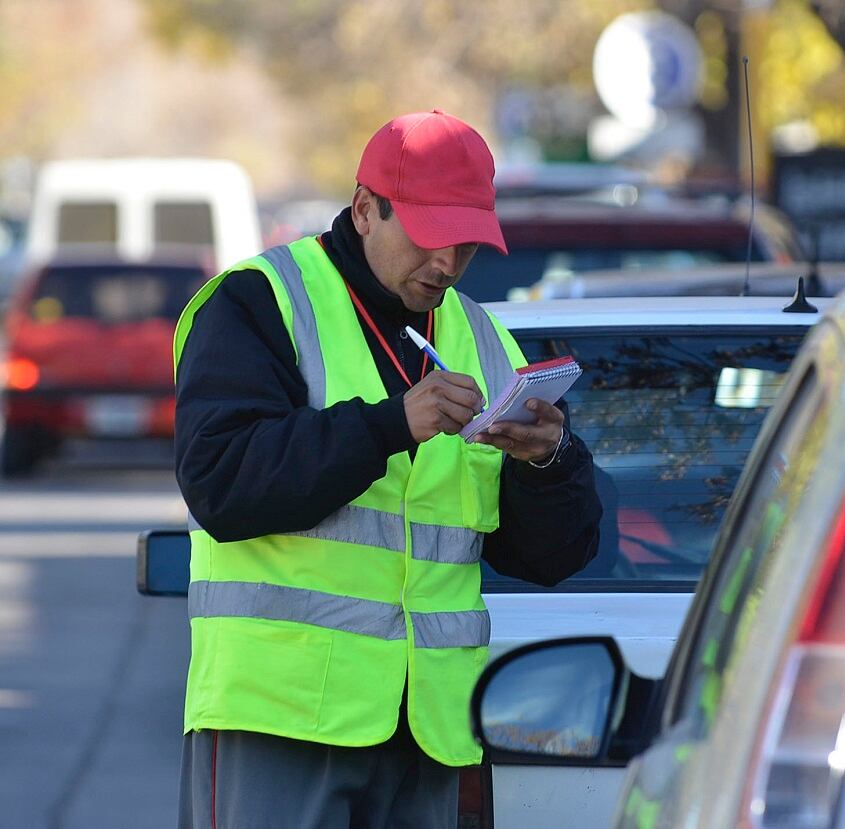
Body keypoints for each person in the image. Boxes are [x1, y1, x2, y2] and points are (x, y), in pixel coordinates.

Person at [173, 110, 602, 828]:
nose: (448, 263)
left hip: (427, 730)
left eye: (467, 244)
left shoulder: (482, 335)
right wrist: (389, 425)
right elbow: (222, 481)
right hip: (281, 717)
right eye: (433, 237)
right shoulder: (258, 301)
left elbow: (547, 555)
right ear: (367, 209)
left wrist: (548, 462)